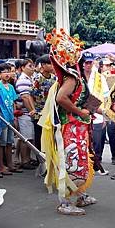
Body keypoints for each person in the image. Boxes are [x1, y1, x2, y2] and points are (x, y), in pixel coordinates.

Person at [39, 29, 96, 215]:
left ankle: (80, 195)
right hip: (70, 126)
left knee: (79, 161)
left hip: (77, 126)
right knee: (70, 162)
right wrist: (80, 111)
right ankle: (64, 202)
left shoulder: (72, 74)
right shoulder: (71, 76)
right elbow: (61, 98)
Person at [0, 63, 17, 175]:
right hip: (1, 118)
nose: (7, 74)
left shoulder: (11, 87)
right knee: (1, 143)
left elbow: (13, 102)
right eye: (4, 72)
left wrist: (15, 116)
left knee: (9, 142)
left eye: (8, 71)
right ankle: (1, 166)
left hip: (11, 117)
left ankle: (10, 164)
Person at [31, 54, 56, 154]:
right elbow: (31, 95)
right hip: (39, 112)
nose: (52, 66)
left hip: (51, 111)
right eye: (50, 64)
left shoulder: (54, 78)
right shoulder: (37, 79)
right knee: (39, 135)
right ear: (43, 65)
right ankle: (40, 157)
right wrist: (33, 109)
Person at [14, 59, 36, 170]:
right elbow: (25, 97)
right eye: (29, 66)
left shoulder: (29, 79)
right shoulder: (22, 80)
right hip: (25, 113)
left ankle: (27, 158)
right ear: (22, 68)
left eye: (33, 66)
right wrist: (32, 110)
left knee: (29, 138)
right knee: (26, 138)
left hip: (28, 113)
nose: (32, 68)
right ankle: (24, 160)